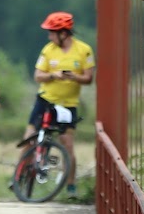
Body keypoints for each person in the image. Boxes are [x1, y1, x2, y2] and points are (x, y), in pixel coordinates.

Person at [21, 11, 96, 196]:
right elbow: (38, 75)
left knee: (67, 144)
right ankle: (20, 174)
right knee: (29, 136)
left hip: (68, 104)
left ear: (63, 33)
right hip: (45, 100)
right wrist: (53, 75)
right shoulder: (48, 49)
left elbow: (89, 78)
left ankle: (70, 186)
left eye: (52, 32)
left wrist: (74, 77)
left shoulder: (84, 50)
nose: (49, 36)